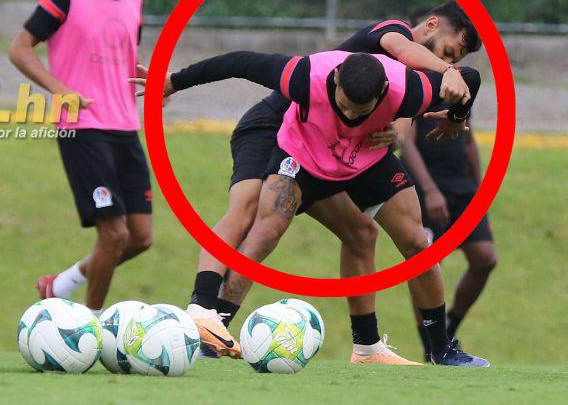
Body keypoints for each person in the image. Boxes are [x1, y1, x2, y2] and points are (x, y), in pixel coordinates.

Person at [140, 49, 489, 366]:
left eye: (361, 109)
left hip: (363, 159)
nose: (350, 114)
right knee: (267, 230)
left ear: (383, 91)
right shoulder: (305, 76)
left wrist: (456, 116)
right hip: (300, 158)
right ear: (335, 79)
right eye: (345, 104)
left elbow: (468, 77)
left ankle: (434, 349)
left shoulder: (409, 89)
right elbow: (238, 62)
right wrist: (172, 81)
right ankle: (214, 333)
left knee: (417, 244)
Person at [9, 0, 161, 325]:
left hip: (125, 128)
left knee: (141, 237)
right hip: (82, 128)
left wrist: (146, 78)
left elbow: (124, 55)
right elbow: (20, 50)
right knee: (113, 234)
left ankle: (62, 285)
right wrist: (61, 91)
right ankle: (87, 326)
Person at [403, 109, 493, 360]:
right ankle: (430, 345)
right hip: (425, 184)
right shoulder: (418, 78)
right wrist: (430, 190)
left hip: (462, 185)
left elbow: (469, 139)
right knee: (426, 264)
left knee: (485, 258)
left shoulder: (461, 87)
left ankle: (448, 327)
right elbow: (405, 141)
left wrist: (480, 193)